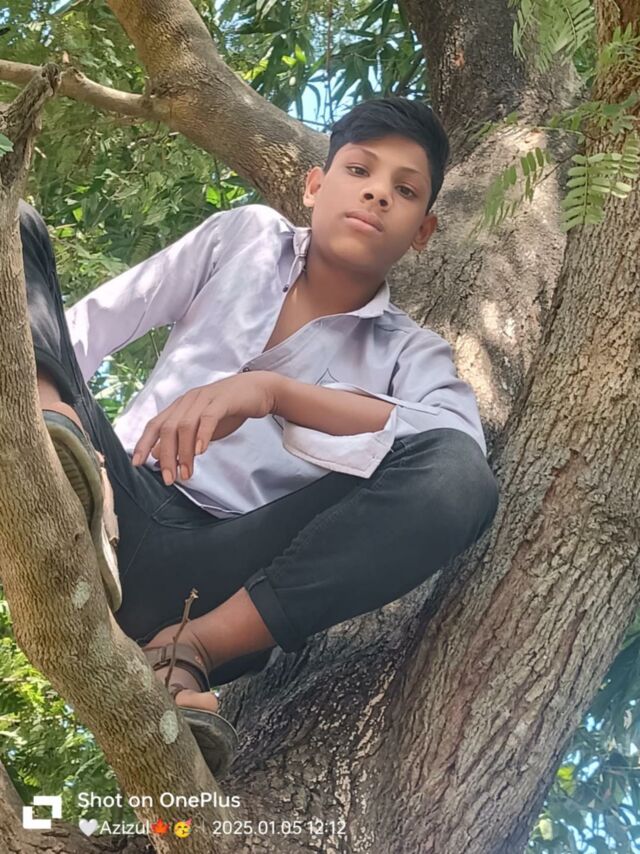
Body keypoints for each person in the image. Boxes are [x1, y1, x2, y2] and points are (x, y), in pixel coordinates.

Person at [20, 96, 499, 776]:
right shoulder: (245, 236)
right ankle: (52, 443)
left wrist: (272, 393)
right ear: (314, 185)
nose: (377, 194)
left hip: (222, 572)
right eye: (359, 170)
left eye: (405, 190)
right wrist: (63, 409)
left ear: (423, 232)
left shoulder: (410, 351)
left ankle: (188, 651)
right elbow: (90, 326)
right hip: (112, 488)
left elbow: (453, 444)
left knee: (457, 478)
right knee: (13, 221)